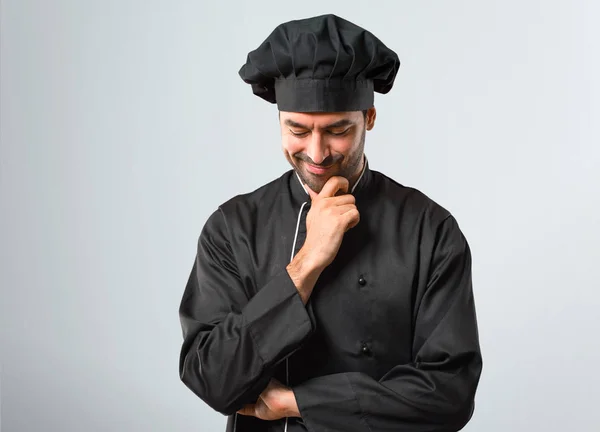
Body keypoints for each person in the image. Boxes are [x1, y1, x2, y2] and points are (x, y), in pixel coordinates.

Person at [179, 13, 482, 432]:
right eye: (297, 130)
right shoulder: (233, 228)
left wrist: (297, 403)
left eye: (338, 130)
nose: (317, 153)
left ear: (369, 118)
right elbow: (211, 377)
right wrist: (307, 263)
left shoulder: (429, 230)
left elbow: (450, 391)